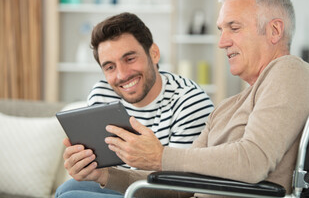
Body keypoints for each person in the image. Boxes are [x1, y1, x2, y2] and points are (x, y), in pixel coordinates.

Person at [58, 0, 309, 198]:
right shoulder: (228, 107)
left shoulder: (289, 70)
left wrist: (159, 156)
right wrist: (104, 176)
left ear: (274, 31)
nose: (222, 42)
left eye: (234, 28)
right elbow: (179, 186)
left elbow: (253, 162)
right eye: (220, 30)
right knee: (72, 188)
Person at [55, 12, 214, 197]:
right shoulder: (102, 94)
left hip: (162, 194)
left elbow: (181, 190)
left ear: (154, 54)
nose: (122, 75)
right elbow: (105, 170)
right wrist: (85, 166)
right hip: (123, 188)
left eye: (129, 59)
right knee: (66, 188)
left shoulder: (189, 102)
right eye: (110, 67)